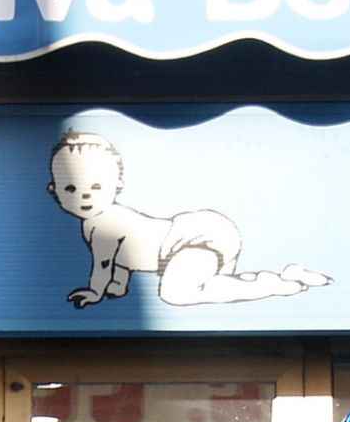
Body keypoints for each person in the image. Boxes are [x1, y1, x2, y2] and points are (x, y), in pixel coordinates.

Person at [48, 131, 328, 309]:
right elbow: (120, 263)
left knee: (175, 294)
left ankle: (275, 284)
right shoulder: (100, 223)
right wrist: (117, 288)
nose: (84, 196)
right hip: (194, 242)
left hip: (189, 242)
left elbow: (105, 263)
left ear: (117, 185)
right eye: (72, 189)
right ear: (55, 192)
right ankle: (282, 277)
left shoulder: (104, 224)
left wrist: (96, 292)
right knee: (215, 283)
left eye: (96, 187)